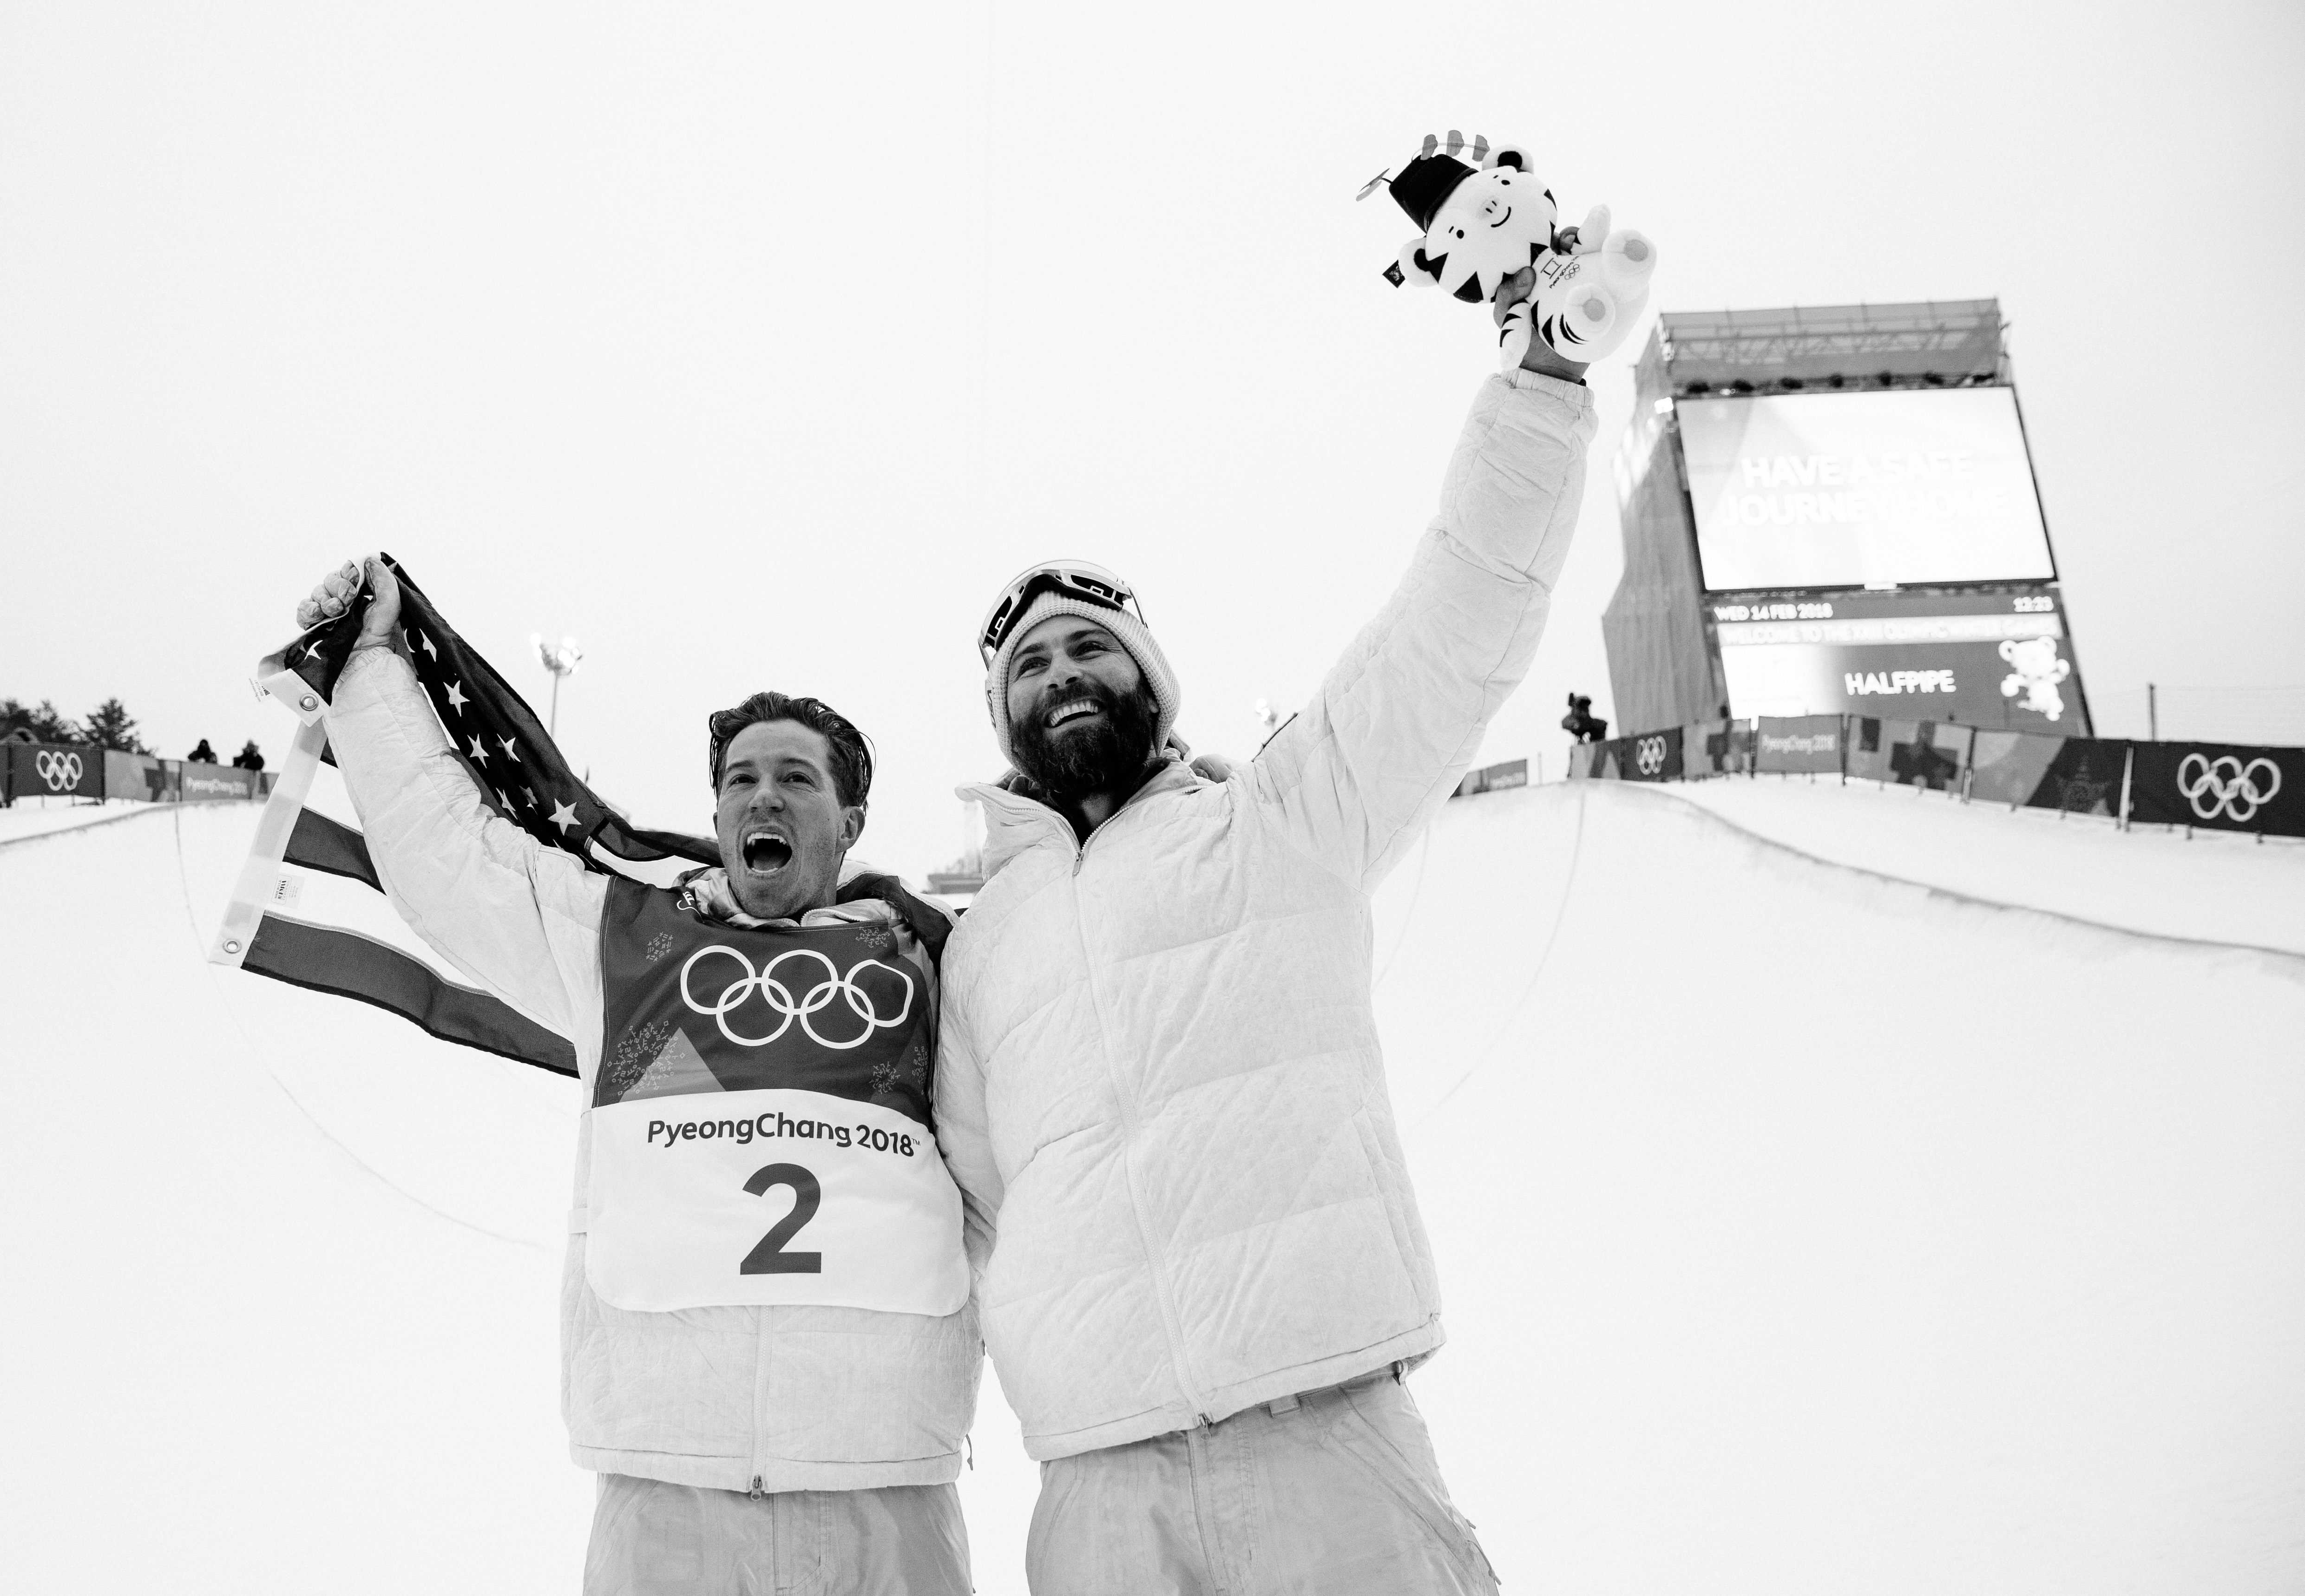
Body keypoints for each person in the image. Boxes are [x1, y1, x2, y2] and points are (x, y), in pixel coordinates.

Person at [932, 328, 1603, 1592]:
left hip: (1328, 1448)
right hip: (1099, 1492)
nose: (1061, 673)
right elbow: (974, 1210)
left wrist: (1543, 382)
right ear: (1005, 717)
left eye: (1090, 647)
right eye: (1029, 665)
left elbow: (1448, 630)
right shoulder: (981, 950)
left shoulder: (1281, 817)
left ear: (1152, 679)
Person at [289, 559, 981, 1595]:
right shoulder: (625, 937)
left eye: (797, 777)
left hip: (885, 1490)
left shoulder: (941, 961)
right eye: (742, 778)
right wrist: (371, 665)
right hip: (665, 1492)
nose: (764, 794)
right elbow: (453, 861)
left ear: (851, 820)